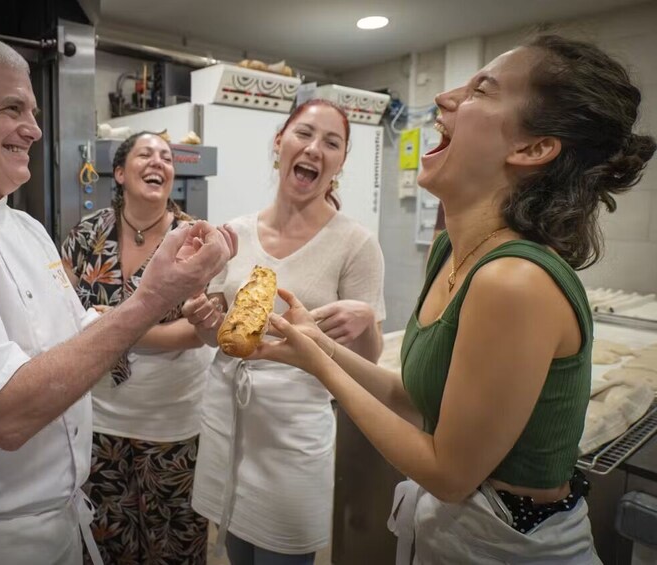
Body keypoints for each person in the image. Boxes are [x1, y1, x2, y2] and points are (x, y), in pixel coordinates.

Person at [253, 35, 656, 563]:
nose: (445, 99)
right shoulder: (450, 252)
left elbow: (449, 472)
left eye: (480, 91)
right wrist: (319, 349)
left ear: (532, 148)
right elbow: (419, 400)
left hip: (515, 543)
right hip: (451, 532)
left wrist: (321, 370)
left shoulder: (515, 280)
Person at [0, 36, 235, 565]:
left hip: (61, 524)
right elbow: (6, 415)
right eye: (12, 108)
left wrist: (186, 308)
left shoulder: (24, 227)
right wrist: (153, 296)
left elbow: (84, 333)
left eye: (33, 109)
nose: (34, 128)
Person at [183, 99, 387, 565]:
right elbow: (220, 341)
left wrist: (362, 320)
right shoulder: (234, 233)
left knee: (284, 553)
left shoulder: (355, 244)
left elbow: (368, 363)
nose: (315, 149)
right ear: (280, 144)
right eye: (304, 134)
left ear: (340, 163)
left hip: (294, 429)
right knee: (235, 551)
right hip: (228, 417)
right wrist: (205, 320)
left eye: (331, 143)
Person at [61, 131, 214, 564]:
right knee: (107, 541)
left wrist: (113, 325)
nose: (159, 162)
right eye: (146, 154)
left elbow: (197, 330)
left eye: (167, 158)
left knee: (175, 543)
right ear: (121, 173)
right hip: (100, 419)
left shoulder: (196, 240)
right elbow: (65, 314)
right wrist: (120, 324)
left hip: (173, 423)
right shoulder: (87, 235)